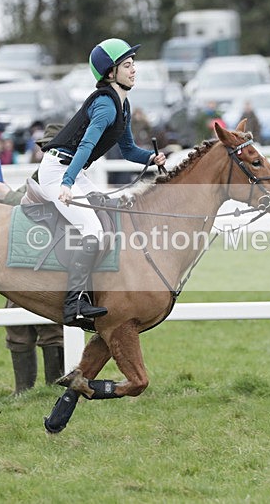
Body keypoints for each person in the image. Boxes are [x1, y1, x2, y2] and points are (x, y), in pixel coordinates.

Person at [38, 37, 166, 327]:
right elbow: (85, 146)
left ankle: (100, 289)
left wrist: (150, 158)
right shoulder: (106, 106)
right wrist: (67, 183)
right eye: (127, 65)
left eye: (133, 64)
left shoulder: (123, 105)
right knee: (92, 230)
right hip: (58, 171)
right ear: (111, 73)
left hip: (73, 170)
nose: (134, 70)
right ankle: (73, 303)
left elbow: (129, 150)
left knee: (106, 212)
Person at [0, 125, 66, 393]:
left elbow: (40, 207)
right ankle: (25, 391)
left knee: (50, 328)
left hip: (51, 263)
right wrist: (1, 193)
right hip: (25, 260)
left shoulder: (67, 174)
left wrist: (7, 195)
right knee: (17, 326)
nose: (46, 153)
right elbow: (14, 206)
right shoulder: (41, 174)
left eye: (51, 148)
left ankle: (53, 388)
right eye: (45, 148)